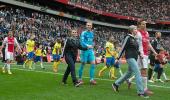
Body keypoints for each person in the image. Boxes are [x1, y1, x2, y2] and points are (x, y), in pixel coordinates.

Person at [112, 25, 148, 98]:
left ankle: (116, 84)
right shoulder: (128, 37)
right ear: (131, 30)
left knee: (128, 73)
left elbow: (135, 49)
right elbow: (123, 48)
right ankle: (141, 92)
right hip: (129, 57)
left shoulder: (134, 39)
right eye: (135, 29)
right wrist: (117, 58)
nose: (136, 30)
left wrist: (139, 54)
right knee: (138, 73)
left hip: (134, 58)